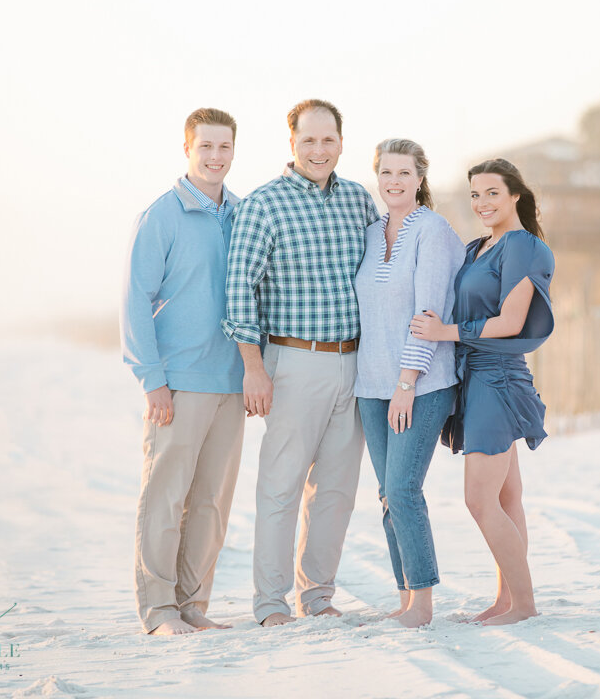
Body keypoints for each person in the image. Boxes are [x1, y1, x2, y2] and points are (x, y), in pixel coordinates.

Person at [223, 99, 380, 627]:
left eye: (328, 140)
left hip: (353, 364)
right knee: (281, 486)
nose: (319, 150)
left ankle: (318, 598)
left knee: (336, 491)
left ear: (341, 142)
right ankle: (270, 605)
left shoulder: (359, 200)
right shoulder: (264, 205)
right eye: (308, 140)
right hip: (292, 362)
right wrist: (253, 367)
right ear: (292, 143)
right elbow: (238, 290)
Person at [410, 157, 555, 627]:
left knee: (479, 500)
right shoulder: (478, 248)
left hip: (497, 378)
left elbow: (511, 323)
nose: (482, 202)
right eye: (475, 194)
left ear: (515, 194)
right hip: (473, 378)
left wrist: (445, 332)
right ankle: (506, 601)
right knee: (508, 499)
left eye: (492, 192)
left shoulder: (522, 246)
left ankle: (526, 606)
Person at [121, 108, 245, 636]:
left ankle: (193, 604)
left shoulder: (242, 214)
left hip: (232, 383)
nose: (215, 157)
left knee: (212, 503)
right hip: (179, 381)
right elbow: (134, 301)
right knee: (165, 498)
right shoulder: (162, 215)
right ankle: (158, 610)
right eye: (206, 147)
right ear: (188, 150)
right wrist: (152, 380)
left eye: (224, 147)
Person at [354, 138, 462, 629]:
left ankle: (422, 604)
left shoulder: (433, 231)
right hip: (371, 386)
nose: (393, 181)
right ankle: (403, 599)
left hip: (419, 384)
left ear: (420, 178)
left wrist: (406, 381)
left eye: (404, 173)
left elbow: (429, 312)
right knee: (386, 495)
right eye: (385, 173)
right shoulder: (373, 232)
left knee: (402, 490)